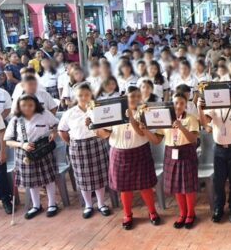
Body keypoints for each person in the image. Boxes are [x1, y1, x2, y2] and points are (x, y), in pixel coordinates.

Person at [93, 87, 162, 230]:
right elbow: (106, 134)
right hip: (119, 153)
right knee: (124, 188)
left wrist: (130, 117)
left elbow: (142, 134)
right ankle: (127, 214)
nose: (135, 98)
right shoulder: (114, 112)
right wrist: (96, 128)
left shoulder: (144, 112)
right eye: (132, 96)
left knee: (146, 186)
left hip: (140, 151)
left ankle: (152, 212)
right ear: (125, 97)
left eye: (138, 95)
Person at [58, 83, 111, 219]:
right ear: (76, 96)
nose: (83, 97)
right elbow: (62, 130)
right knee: (82, 178)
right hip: (78, 147)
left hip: (97, 144)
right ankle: (88, 205)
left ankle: (101, 204)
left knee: (99, 176)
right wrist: (70, 143)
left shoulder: (97, 110)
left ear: (91, 95)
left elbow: (106, 129)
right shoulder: (69, 113)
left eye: (86, 95)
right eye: (80, 95)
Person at [4, 94, 60, 220]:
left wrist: (53, 132)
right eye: (23, 105)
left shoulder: (45, 114)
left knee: (49, 178)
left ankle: (52, 204)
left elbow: (56, 125)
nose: (27, 108)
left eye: (30, 105)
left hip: (43, 150)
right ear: (19, 106)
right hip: (25, 153)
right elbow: (7, 141)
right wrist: (22, 145)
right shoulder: (15, 119)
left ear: (36, 104)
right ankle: (36, 205)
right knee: (31, 180)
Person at [199, 84, 231, 224]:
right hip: (219, 150)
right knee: (218, 182)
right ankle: (218, 208)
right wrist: (199, 108)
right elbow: (205, 123)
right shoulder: (213, 106)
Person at [162, 90, 201, 229]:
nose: (178, 106)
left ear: (186, 105)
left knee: (188, 186)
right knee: (177, 186)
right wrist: (146, 130)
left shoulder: (191, 118)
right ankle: (182, 213)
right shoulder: (165, 119)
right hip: (170, 152)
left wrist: (181, 127)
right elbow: (156, 139)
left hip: (186, 152)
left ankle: (191, 214)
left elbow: (193, 140)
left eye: (182, 103)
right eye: (176, 103)